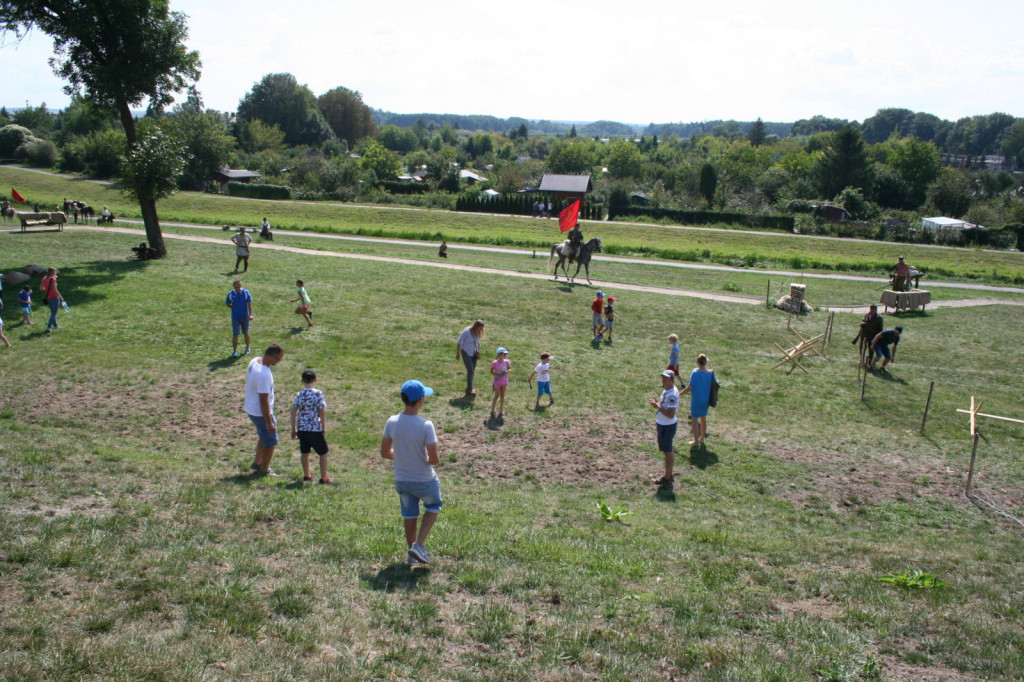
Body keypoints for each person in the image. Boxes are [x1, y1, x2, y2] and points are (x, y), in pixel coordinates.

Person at [380, 379, 441, 566]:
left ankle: (411, 555)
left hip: (402, 479)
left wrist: (403, 456)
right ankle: (418, 545)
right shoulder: (426, 425)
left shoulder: (392, 421)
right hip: (424, 479)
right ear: (421, 400)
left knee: (409, 514)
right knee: (433, 506)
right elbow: (434, 459)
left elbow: (385, 452)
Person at [245, 343, 285, 476]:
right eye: (278, 359)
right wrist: (269, 422)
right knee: (270, 439)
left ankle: (257, 462)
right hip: (260, 412)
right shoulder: (264, 374)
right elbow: (263, 400)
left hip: (251, 408)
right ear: (271, 357)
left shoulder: (255, 360)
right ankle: (264, 470)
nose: (279, 361)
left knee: (263, 436)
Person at [290, 369, 330, 484]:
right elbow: (321, 411)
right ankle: (323, 478)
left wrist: (293, 429)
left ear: (302, 381)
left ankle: (307, 475)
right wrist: (323, 426)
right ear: (315, 380)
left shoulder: (300, 394)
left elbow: (293, 412)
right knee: (323, 452)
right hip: (314, 429)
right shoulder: (318, 393)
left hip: (302, 429)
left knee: (304, 452)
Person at [649, 369, 679, 484]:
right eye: (663, 378)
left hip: (667, 425)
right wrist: (658, 404)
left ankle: (667, 477)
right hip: (663, 424)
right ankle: (669, 473)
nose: (664, 380)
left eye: (666, 378)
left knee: (667, 450)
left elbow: (671, 414)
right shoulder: (668, 390)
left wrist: (657, 406)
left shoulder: (672, 395)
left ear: (672, 380)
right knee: (667, 449)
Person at [680, 354, 714, 446]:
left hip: (696, 400)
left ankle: (696, 441)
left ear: (697, 362)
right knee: (703, 419)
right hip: (706, 400)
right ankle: (702, 438)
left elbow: (690, 387)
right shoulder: (711, 373)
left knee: (694, 420)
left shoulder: (695, 373)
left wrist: (680, 394)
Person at [455, 320, 485, 395]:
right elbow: (459, 342)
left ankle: (470, 386)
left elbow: (477, 343)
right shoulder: (466, 332)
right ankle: (470, 388)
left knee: (472, 371)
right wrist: (458, 354)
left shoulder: (478, 333)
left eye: (482, 328)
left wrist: (478, 351)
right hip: (466, 352)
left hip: (474, 353)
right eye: (480, 328)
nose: (481, 330)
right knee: (470, 370)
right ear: (476, 326)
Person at [226, 280, 253, 358]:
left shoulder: (246, 292)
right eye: (236, 287)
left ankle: (248, 348)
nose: (238, 288)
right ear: (234, 287)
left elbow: (249, 304)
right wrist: (234, 307)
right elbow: (228, 304)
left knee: (246, 333)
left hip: (245, 316)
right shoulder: (230, 294)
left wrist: (250, 315)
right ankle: (234, 351)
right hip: (235, 317)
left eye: (239, 286)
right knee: (235, 334)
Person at [40, 267, 63, 333]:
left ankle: (55, 325)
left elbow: (41, 288)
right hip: (54, 297)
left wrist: (46, 289)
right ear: (52, 272)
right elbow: (55, 289)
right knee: (54, 313)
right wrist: (60, 297)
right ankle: (48, 327)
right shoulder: (53, 279)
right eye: (55, 271)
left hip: (48, 298)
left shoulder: (44, 278)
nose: (56, 272)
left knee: (52, 312)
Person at [490, 347, 511, 417]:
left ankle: (501, 410)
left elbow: (509, 369)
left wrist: (507, 371)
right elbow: (491, 371)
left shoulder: (507, 362)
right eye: (504, 354)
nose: (505, 355)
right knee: (497, 395)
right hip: (497, 381)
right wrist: (496, 375)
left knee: (502, 395)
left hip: (504, 381)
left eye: (506, 354)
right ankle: (492, 410)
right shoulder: (495, 363)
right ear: (500, 354)